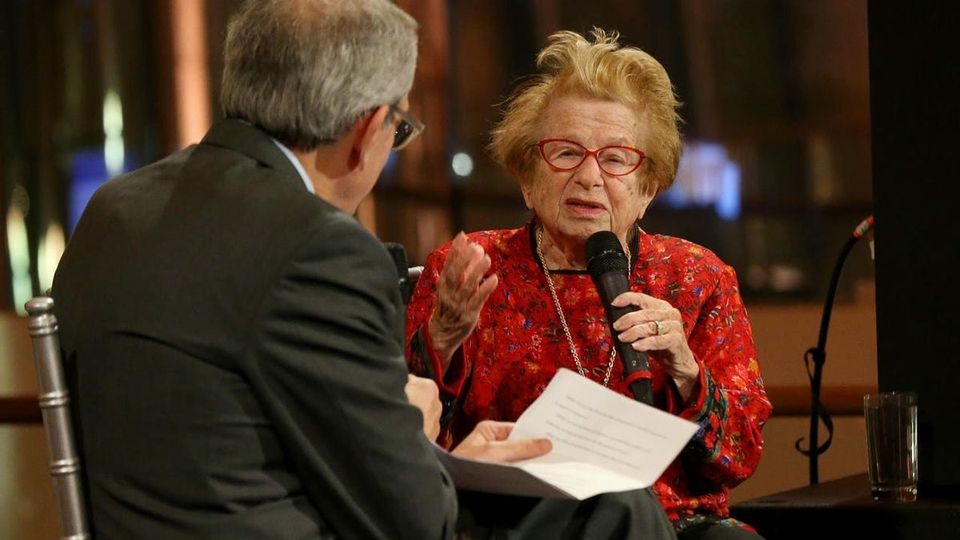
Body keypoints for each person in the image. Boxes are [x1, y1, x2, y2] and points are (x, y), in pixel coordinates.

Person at [51, 2, 677, 539]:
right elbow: (414, 520)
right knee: (618, 510)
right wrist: (416, 436)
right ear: (368, 128)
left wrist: (433, 457)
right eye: (399, 127)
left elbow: (235, 422)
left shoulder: (115, 208)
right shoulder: (320, 250)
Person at [406, 29, 773, 540]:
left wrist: (686, 371)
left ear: (647, 190)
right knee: (619, 507)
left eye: (616, 158)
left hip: (677, 524)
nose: (589, 176)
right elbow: (408, 447)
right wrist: (442, 341)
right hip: (525, 521)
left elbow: (739, 457)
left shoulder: (695, 277)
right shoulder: (472, 269)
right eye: (565, 153)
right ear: (527, 178)